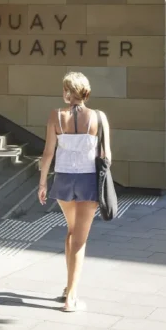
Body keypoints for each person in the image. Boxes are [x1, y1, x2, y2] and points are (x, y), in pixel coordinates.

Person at [38, 71, 110, 313]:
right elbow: (106, 156)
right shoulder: (99, 117)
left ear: (68, 92)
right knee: (80, 239)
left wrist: (42, 183)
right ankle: (72, 299)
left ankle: (68, 289)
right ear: (86, 92)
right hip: (89, 181)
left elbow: (48, 153)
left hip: (63, 180)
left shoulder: (55, 116)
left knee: (71, 233)